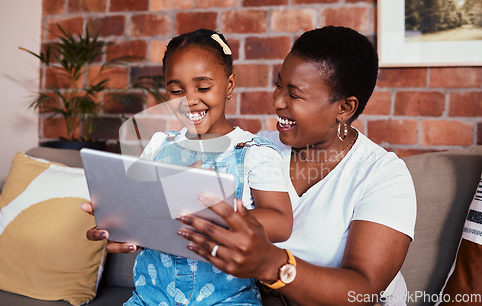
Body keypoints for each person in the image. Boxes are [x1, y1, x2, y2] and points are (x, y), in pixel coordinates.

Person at [85, 26, 416, 305]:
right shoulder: (254, 148)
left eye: (295, 94)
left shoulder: (382, 175)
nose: (277, 101)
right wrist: (141, 228)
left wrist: (271, 264)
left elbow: (366, 290)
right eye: (278, 84)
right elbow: (175, 213)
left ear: (344, 108)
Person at [86, 28, 292, 305]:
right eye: (176, 90)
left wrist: (215, 216)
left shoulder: (255, 152)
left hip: (227, 298)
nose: (190, 100)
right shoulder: (160, 145)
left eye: (203, 87)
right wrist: (118, 219)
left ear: (229, 85)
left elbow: (281, 222)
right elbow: (142, 208)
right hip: (151, 296)